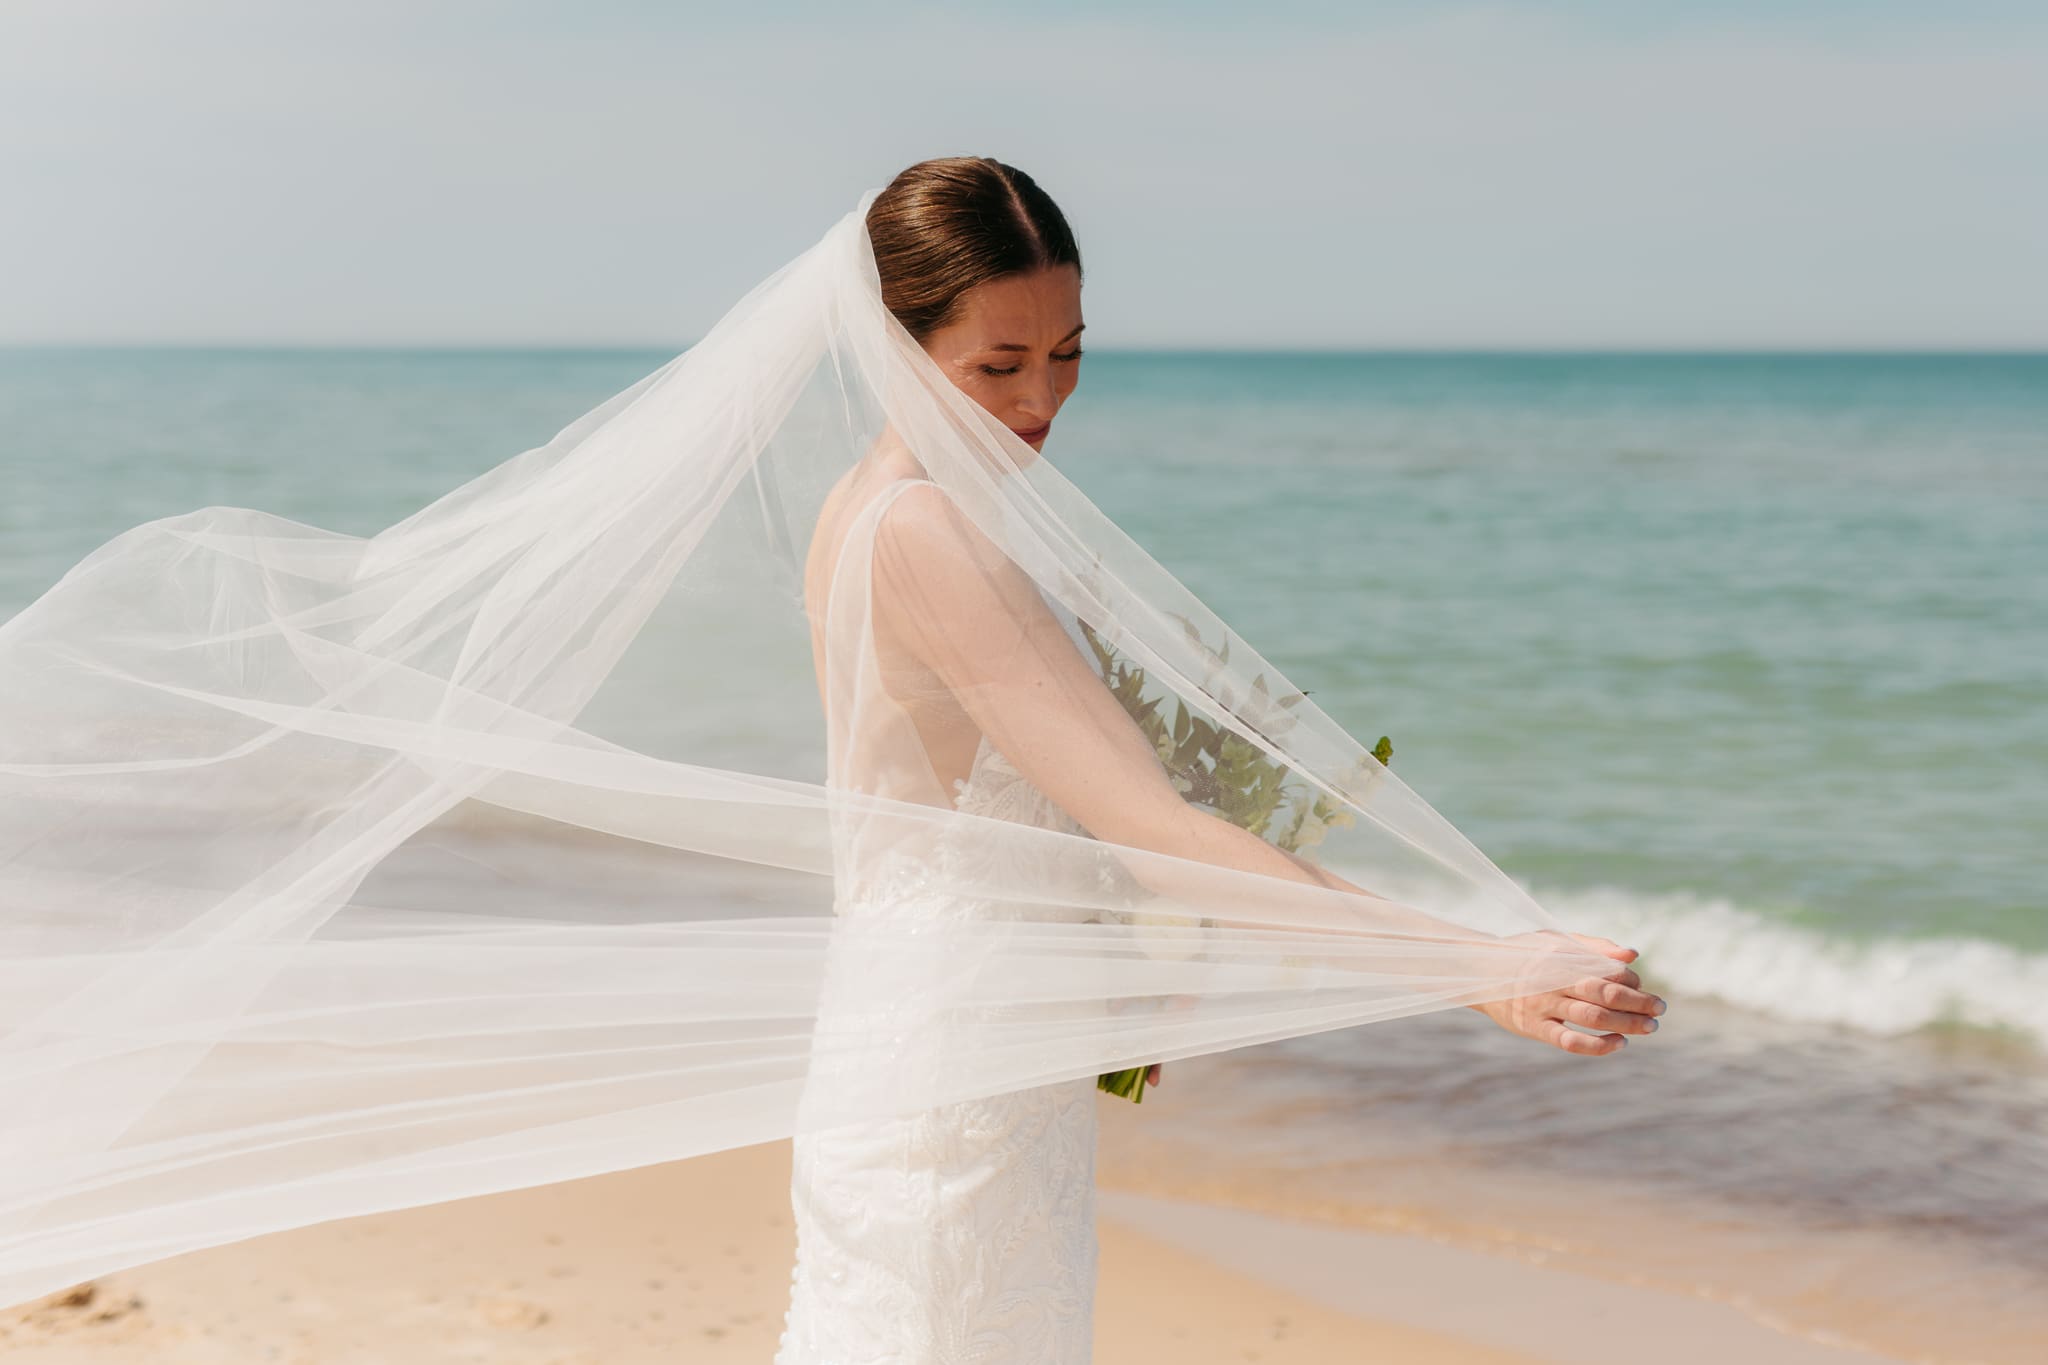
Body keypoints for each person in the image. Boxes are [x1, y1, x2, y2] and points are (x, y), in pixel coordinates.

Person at [775, 156, 1665, 1364]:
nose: (1043, 398)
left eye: (1068, 351)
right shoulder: (929, 531)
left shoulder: (866, 501)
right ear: (891, 344)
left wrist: (1109, 948)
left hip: (923, 1030)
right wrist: (1479, 969)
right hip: (954, 1071)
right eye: (998, 365)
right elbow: (1155, 829)